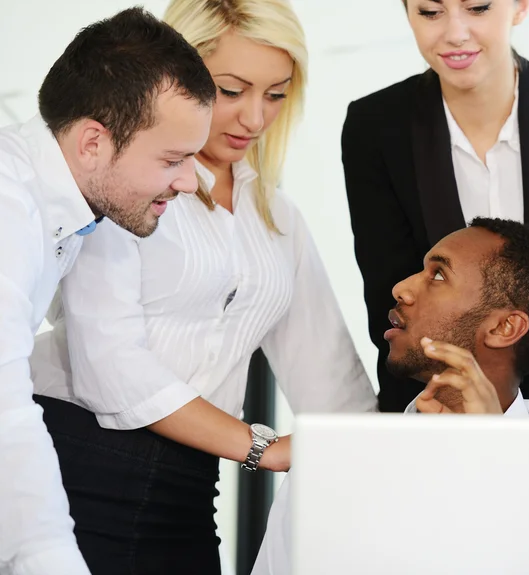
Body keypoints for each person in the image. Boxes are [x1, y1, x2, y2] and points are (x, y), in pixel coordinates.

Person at [30, 1, 377, 573]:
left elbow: (333, 383)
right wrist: (259, 447)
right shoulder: (130, 187)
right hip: (74, 463)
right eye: (231, 90)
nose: (254, 119)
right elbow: (110, 366)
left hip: (189, 489)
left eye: (276, 94)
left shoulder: (279, 220)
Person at [0, 7, 215, 575]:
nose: (191, 182)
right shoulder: (7, 209)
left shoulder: (66, 201)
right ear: (93, 141)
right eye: (173, 159)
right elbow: (4, 418)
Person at [250, 217, 529, 575]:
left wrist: (492, 455)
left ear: (504, 328)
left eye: (438, 275)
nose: (401, 288)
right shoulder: (333, 464)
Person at [342, 0, 529, 414]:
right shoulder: (375, 126)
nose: (455, 33)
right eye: (429, 12)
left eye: (477, 8)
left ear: (520, 7)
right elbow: (389, 297)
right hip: (431, 405)